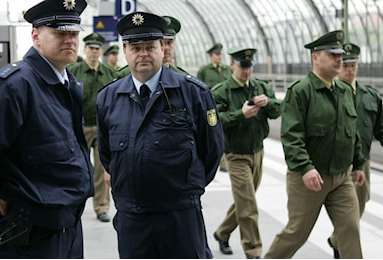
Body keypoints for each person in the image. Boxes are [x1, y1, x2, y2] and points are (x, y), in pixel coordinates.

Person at [0, 0, 93, 258]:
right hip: (29, 235)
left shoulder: (66, 83)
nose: (70, 39)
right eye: (60, 33)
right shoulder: (14, 85)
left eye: (73, 33)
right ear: (36, 36)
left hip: (67, 228)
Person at [96, 11, 224, 258]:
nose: (142, 53)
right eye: (135, 47)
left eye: (149, 47)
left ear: (162, 49)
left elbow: (211, 151)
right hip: (133, 218)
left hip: (179, 215)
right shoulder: (108, 98)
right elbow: (107, 154)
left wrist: (185, 189)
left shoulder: (193, 93)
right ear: (125, 51)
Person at [263, 30, 366, 259]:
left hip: (341, 178)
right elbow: (291, 136)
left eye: (340, 55)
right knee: (297, 233)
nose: (339, 60)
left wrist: (358, 163)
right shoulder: (300, 91)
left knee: (350, 229)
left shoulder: (345, 91)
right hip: (309, 179)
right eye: (332, 55)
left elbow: (352, 132)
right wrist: (306, 167)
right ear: (315, 58)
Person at [327, 42, 383, 259]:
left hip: (362, 162)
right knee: (346, 213)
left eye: (353, 65)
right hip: (337, 162)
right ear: (338, 64)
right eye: (345, 65)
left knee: (360, 204)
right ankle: (343, 248)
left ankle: (336, 240)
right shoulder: (329, 93)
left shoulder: (370, 96)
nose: (349, 69)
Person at [211, 47, 281, 258]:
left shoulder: (260, 87)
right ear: (232, 65)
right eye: (242, 66)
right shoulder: (222, 91)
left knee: (244, 200)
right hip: (236, 154)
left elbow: (279, 110)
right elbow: (214, 121)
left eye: (249, 67)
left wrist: (268, 103)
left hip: (257, 152)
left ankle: (222, 233)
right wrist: (240, 114)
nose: (247, 71)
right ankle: (254, 251)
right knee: (248, 205)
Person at [68, 32, 117, 223]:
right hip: (79, 127)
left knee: (101, 168)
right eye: (91, 48)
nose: (94, 52)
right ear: (85, 50)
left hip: (102, 127)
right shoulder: (74, 70)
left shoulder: (109, 73)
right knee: (77, 167)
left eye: (97, 49)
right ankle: (73, 203)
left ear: (101, 51)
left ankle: (101, 207)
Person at [197, 43, 232, 172]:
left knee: (227, 133)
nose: (220, 57)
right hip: (211, 108)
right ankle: (221, 161)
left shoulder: (227, 70)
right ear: (211, 56)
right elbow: (199, 89)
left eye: (220, 54)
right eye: (217, 55)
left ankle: (227, 160)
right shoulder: (204, 71)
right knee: (215, 132)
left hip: (227, 107)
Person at [116, 15, 188, 78]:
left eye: (169, 43)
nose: (166, 48)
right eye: (136, 48)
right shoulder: (122, 76)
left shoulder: (183, 79)